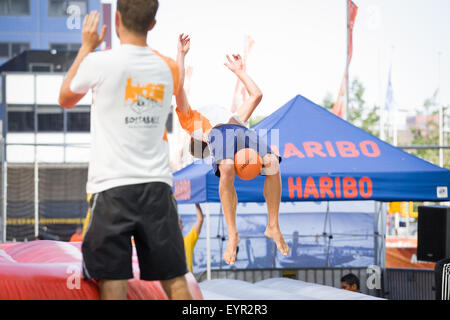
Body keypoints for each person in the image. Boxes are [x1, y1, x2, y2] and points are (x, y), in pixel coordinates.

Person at [58, 1, 192, 300]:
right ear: (153, 24)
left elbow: (65, 97)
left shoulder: (100, 62)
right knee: (176, 282)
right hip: (157, 186)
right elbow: (180, 97)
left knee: (113, 281)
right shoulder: (168, 68)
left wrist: (86, 47)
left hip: (113, 188)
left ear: (116, 20)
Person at [175, 34, 290, 266]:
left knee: (272, 163)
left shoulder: (236, 118)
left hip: (239, 131)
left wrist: (239, 71)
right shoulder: (194, 125)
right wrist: (181, 55)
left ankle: (273, 225)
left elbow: (257, 95)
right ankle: (232, 234)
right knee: (226, 166)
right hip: (221, 133)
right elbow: (178, 88)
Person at [179, 203, 204, 273]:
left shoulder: (188, 240)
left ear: (182, 227)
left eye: (180, 222)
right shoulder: (166, 243)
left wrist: (196, 202)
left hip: (187, 279)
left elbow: (200, 220)